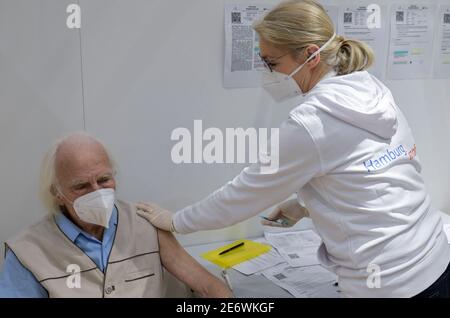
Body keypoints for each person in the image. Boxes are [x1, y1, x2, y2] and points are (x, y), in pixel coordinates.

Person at [136, 0, 450, 298]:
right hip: (434, 257)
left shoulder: (312, 122)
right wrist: (305, 204)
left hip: (390, 284)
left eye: (272, 63)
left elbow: (241, 196)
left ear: (311, 55)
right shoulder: (370, 89)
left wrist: (176, 220)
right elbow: (380, 171)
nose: (268, 73)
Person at [0, 132, 232, 298]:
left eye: (104, 180)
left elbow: (208, 287)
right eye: (81, 186)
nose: (97, 192)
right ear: (57, 193)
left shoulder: (146, 225)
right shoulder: (29, 252)